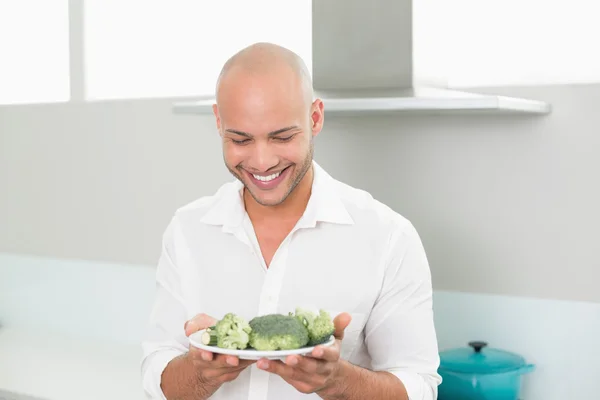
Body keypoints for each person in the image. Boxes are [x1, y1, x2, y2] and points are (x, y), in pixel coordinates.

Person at [141, 42, 441, 400]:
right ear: (219, 122)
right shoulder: (187, 231)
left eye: (282, 137)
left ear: (315, 118)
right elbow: (158, 378)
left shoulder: (390, 237)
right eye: (240, 139)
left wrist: (337, 381)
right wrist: (201, 373)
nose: (262, 161)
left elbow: (419, 388)